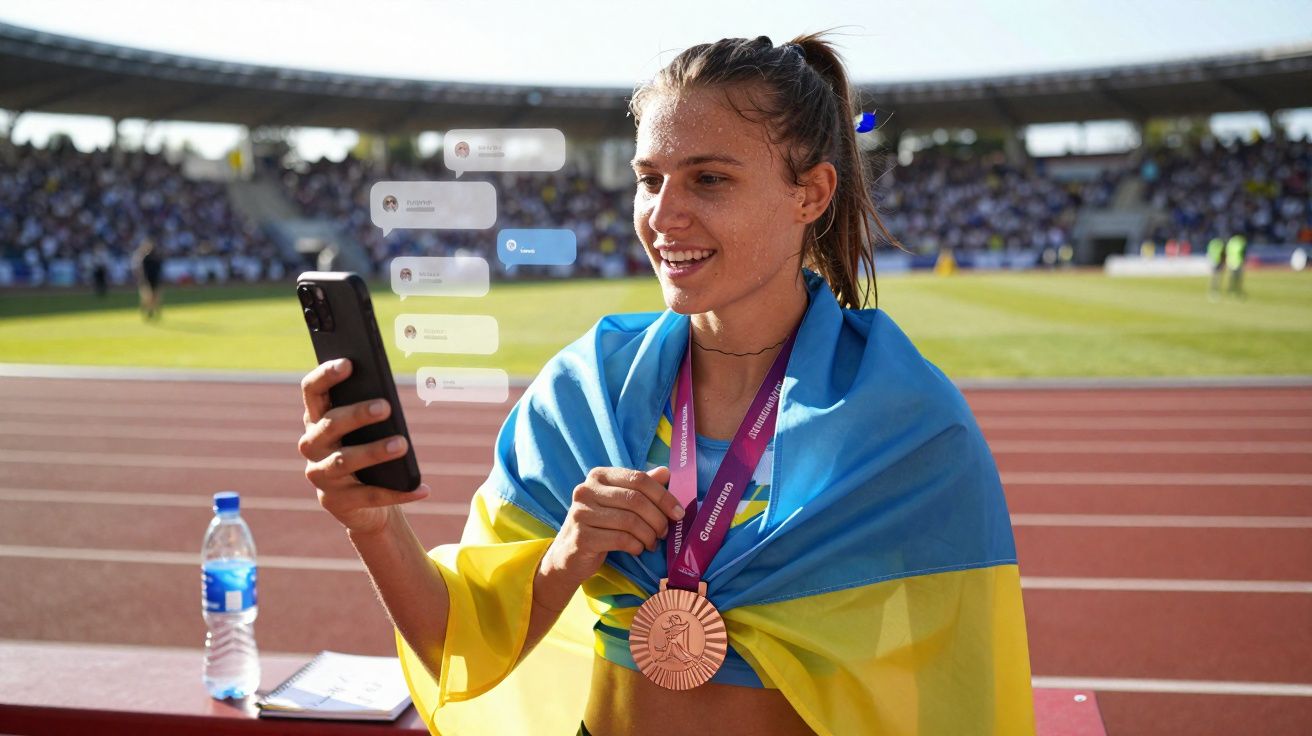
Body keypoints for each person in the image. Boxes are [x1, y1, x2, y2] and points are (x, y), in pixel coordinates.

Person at [298, 34, 1034, 736]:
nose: (662, 214)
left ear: (810, 193)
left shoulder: (902, 420)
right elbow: (452, 642)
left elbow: (959, 685)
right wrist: (376, 526)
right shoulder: (585, 391)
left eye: (708, 179)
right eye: (650, 179)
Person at [131, 237, 164, 320]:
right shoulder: (145, 258)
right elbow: (141, 270)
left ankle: (154, 312)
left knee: (155, 297)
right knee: (147, 297)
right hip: (147, 280)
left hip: (153, 279)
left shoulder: (155, 258)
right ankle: (147, 311)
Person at [1225, 232, 1248, 299]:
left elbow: (1227, 251)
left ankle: (1231, 290)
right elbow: (1243, 252)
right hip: (1238, 262)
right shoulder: (1240, 242)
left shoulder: (1230, 241)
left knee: (1231, 277)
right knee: (1238, 278)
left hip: (1230, 261)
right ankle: (1237, 290)